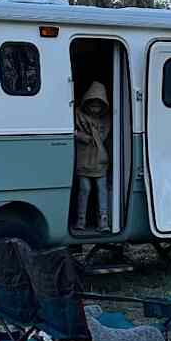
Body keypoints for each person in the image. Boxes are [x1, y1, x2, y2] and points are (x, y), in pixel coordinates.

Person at [73, 81, 112, 231]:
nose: (95, 109)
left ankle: (103, 221)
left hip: (100, 160)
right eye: (92, 105)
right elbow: (70, 130)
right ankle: (80, 220)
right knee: (85, 188)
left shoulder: (106, 119)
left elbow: (105, 138)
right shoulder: (77, 115)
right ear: (86, 103)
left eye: (98, 105)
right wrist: (80, 135)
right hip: (84, 159)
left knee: (101, 189)